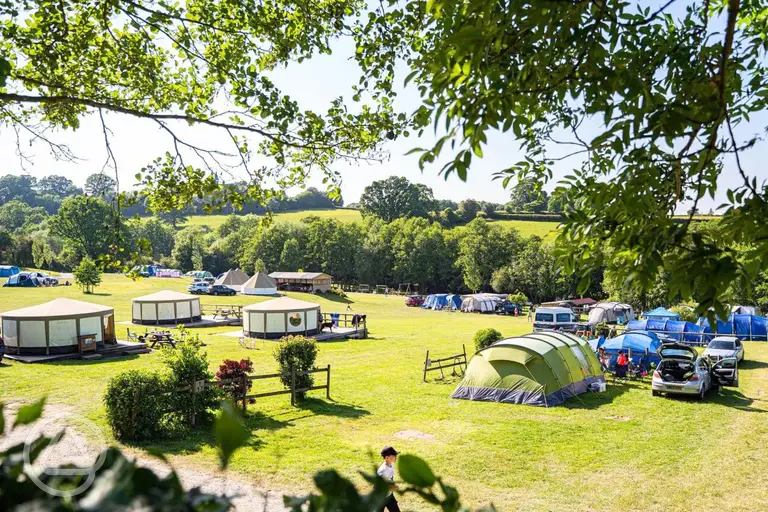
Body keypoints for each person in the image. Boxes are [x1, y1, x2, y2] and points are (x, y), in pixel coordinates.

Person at [377, 446, 400, 512]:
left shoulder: (391, 463)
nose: (396, 457)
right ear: (387, 458)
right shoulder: (382, 471)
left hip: (389, 496)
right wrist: (391, 488)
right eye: (394, 456)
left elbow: (390, 477)